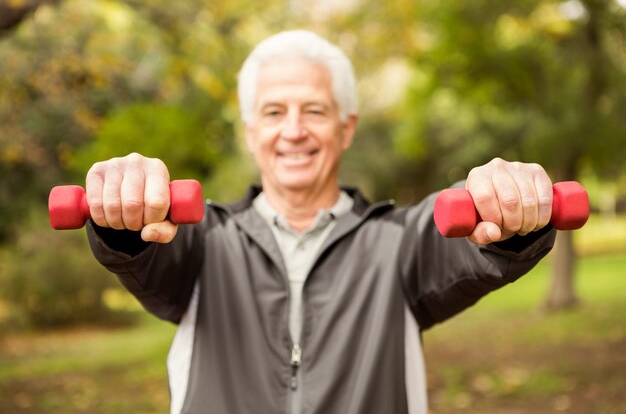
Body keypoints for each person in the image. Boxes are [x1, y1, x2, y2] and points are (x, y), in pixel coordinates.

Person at [85, 30, 557, 414]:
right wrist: (124, 219)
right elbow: (146, 256)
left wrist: (503, 204)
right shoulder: (201, 241)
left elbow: (462, 240)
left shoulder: (400, 244)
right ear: (251, 133)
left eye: (313, 110)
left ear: (345, 127)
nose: (293, 131)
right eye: (274, 112)